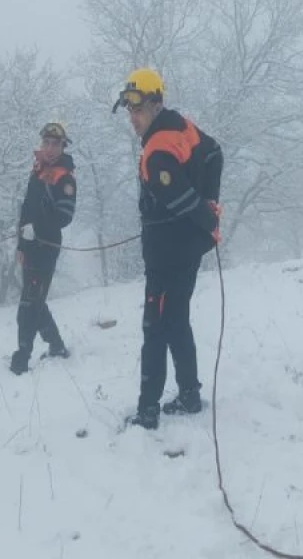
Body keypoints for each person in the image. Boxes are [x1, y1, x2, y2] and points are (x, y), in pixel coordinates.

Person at [113, 68, 223, 429]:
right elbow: (214, 153)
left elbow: (177, 196)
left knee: (155, 327)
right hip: (185, 248)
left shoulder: (157, 152)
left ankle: (148, 411)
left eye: (138, 109)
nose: (133, 117)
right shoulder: (180, 127)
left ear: (156, 104)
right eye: (129, 110)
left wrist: (206, 217)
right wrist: (210, 204)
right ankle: (189, 394)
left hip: (168, 254)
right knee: (176, 320)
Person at [11, 122, 77, 375]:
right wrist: (21, 243)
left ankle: (21, 360)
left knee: (28, 305)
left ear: (63, 146)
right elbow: (26, 208)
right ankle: (57, 346)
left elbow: (65, 216)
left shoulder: (65, 177)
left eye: (55, 144)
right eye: (46, 143)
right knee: (35, 300)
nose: (49, 148)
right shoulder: (38, 169)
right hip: (29, 245)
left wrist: (36, 228)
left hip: (47, 245)